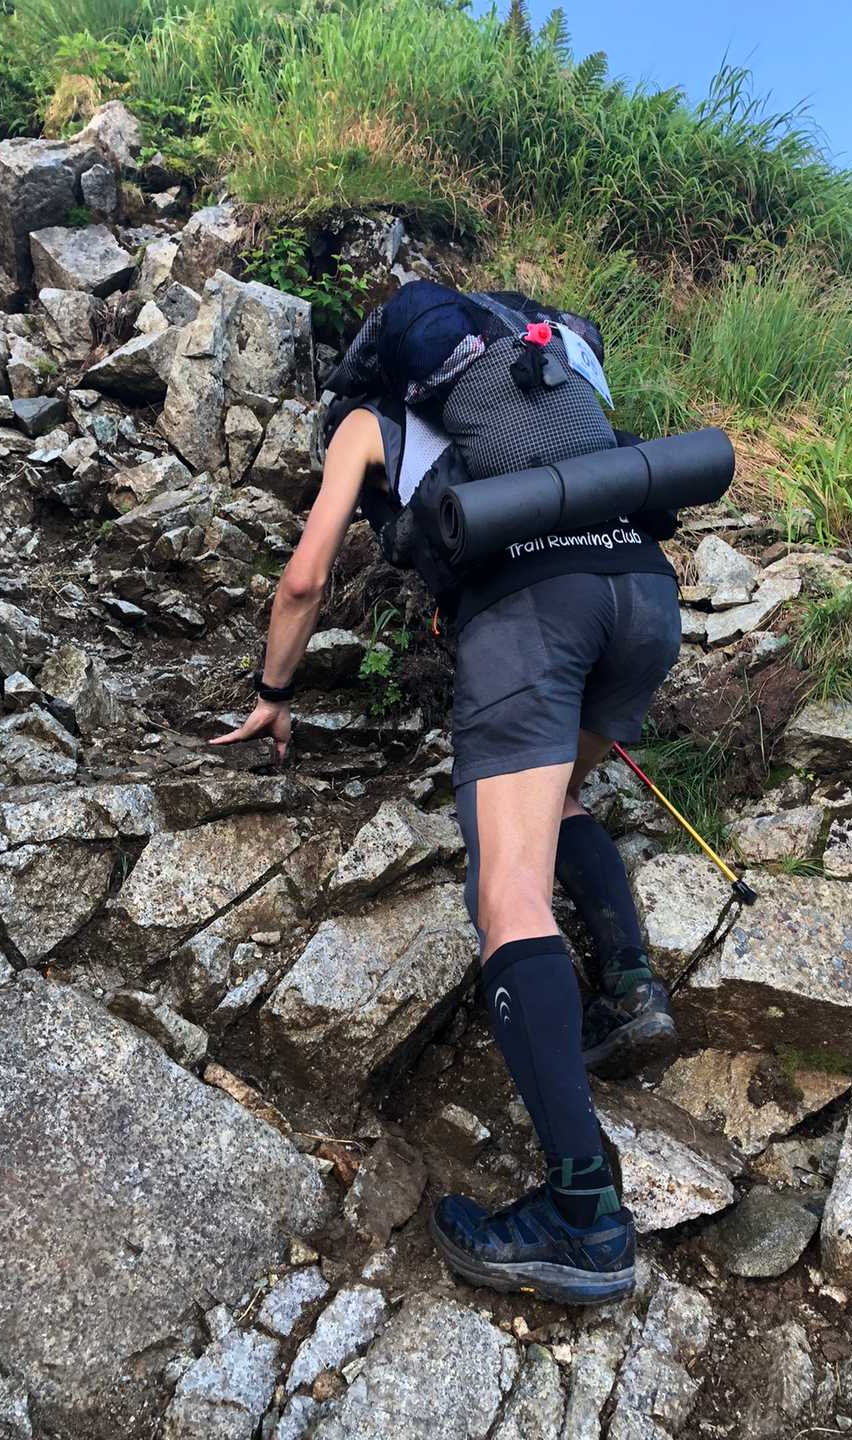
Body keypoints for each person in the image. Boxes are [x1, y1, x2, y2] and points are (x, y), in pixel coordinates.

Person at [213, 378, 682, 1306]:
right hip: (645, 596)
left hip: (536, 613)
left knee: (507, 894)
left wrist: (273, 692)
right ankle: (631, 991)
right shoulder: (539, 392)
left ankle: (585, 1217)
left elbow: (305, 577)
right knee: (554, 799)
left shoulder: (369, 418)